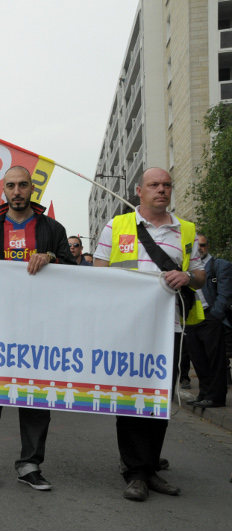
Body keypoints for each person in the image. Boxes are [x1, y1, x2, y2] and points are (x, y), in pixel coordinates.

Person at [94, 167, 204, 501]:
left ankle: (149, 467)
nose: (161, 190)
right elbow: (98, 272)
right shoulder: (117, 225)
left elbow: (199, 274)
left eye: (167, 185)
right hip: (127, 327)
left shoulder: (185, 229)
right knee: (129, 398)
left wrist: (186, 276)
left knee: (159, 398)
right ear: (139, 191)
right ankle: (135, 473)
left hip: (168, 327)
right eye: (154, 185)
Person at [0, 166, 74, 490]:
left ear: (32, 189)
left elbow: (74, 272)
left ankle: (30, 464)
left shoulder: (52, 228)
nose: (17, 191)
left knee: (36, 393)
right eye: (11, 185)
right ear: (4, 190)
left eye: (23, 185)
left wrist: (52, 259)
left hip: (39, 324)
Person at [184, 234, 230, 409]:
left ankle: (216, 397)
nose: (199, 248)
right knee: (198, 359)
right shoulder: (186, 267)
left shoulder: (220, 265)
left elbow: (225, 294)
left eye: (202, 245)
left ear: (207, 246)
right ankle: (204, 394)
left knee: (215, 360)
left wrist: (215, 314)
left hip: (210, 317)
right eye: (195, 246)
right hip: (191, 319)